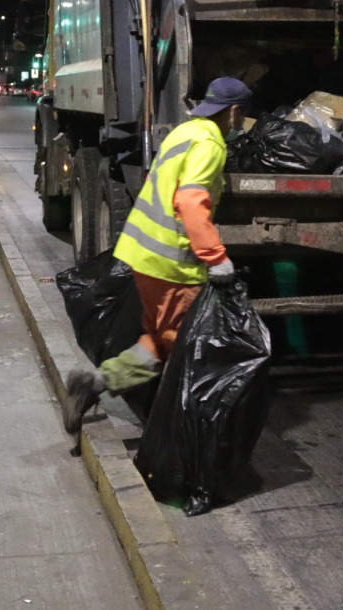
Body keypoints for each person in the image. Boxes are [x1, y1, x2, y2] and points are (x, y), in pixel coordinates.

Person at [61, 76, 252, 435]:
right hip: (173, 266)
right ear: (235, 112)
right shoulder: (210, 144)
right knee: (184, 347)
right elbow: (191, 201)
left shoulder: (183, 133)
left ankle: (95, 384)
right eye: (241, 115)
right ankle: (177, 431)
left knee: (159, 338)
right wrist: (215, 257)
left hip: (144, 255)